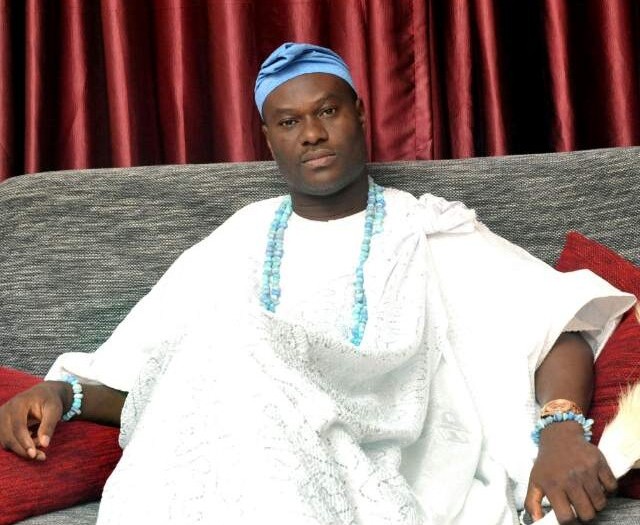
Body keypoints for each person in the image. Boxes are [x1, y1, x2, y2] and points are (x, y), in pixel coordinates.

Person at [0, 42, 636, 524]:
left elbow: (559, 321)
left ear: (359, 113)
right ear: (269, 138)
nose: (311, 133)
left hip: (390, 463)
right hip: (241, 467)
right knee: (227, 336)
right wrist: (62, 393)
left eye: (327, 110)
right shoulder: (240, 238)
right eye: (288, 122)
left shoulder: (424, 228)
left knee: (235, 334)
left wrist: (561, 429)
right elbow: (163, 380)